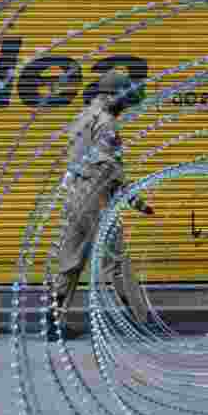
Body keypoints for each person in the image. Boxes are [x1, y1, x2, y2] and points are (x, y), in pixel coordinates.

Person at [48, 69, 155, 341]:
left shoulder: (83, 116)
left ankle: (54, 321)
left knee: (69, 260)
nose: (125, 106)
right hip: (95, 197)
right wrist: (134, 198)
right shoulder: (106, 122)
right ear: (110, 96)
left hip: (74, 196)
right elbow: (107, 165)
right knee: (117, 258)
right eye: (123, 99)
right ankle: (141, 319)